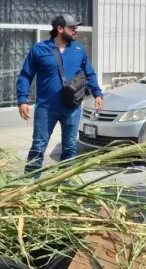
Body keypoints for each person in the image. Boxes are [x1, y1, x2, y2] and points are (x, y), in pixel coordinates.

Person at [16, 15, 103, 174]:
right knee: (38, 145)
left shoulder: (79, 50)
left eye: (76, 28)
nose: (75, 31)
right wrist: (22, 100)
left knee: (69, 146)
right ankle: (30, 181)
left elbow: (89, 73)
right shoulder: (39, 49)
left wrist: (97, 93)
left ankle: (65, 180)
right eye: (72, 28)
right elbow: (25, 75)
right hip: (46, 108)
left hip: (72, 107)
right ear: (60, 29)